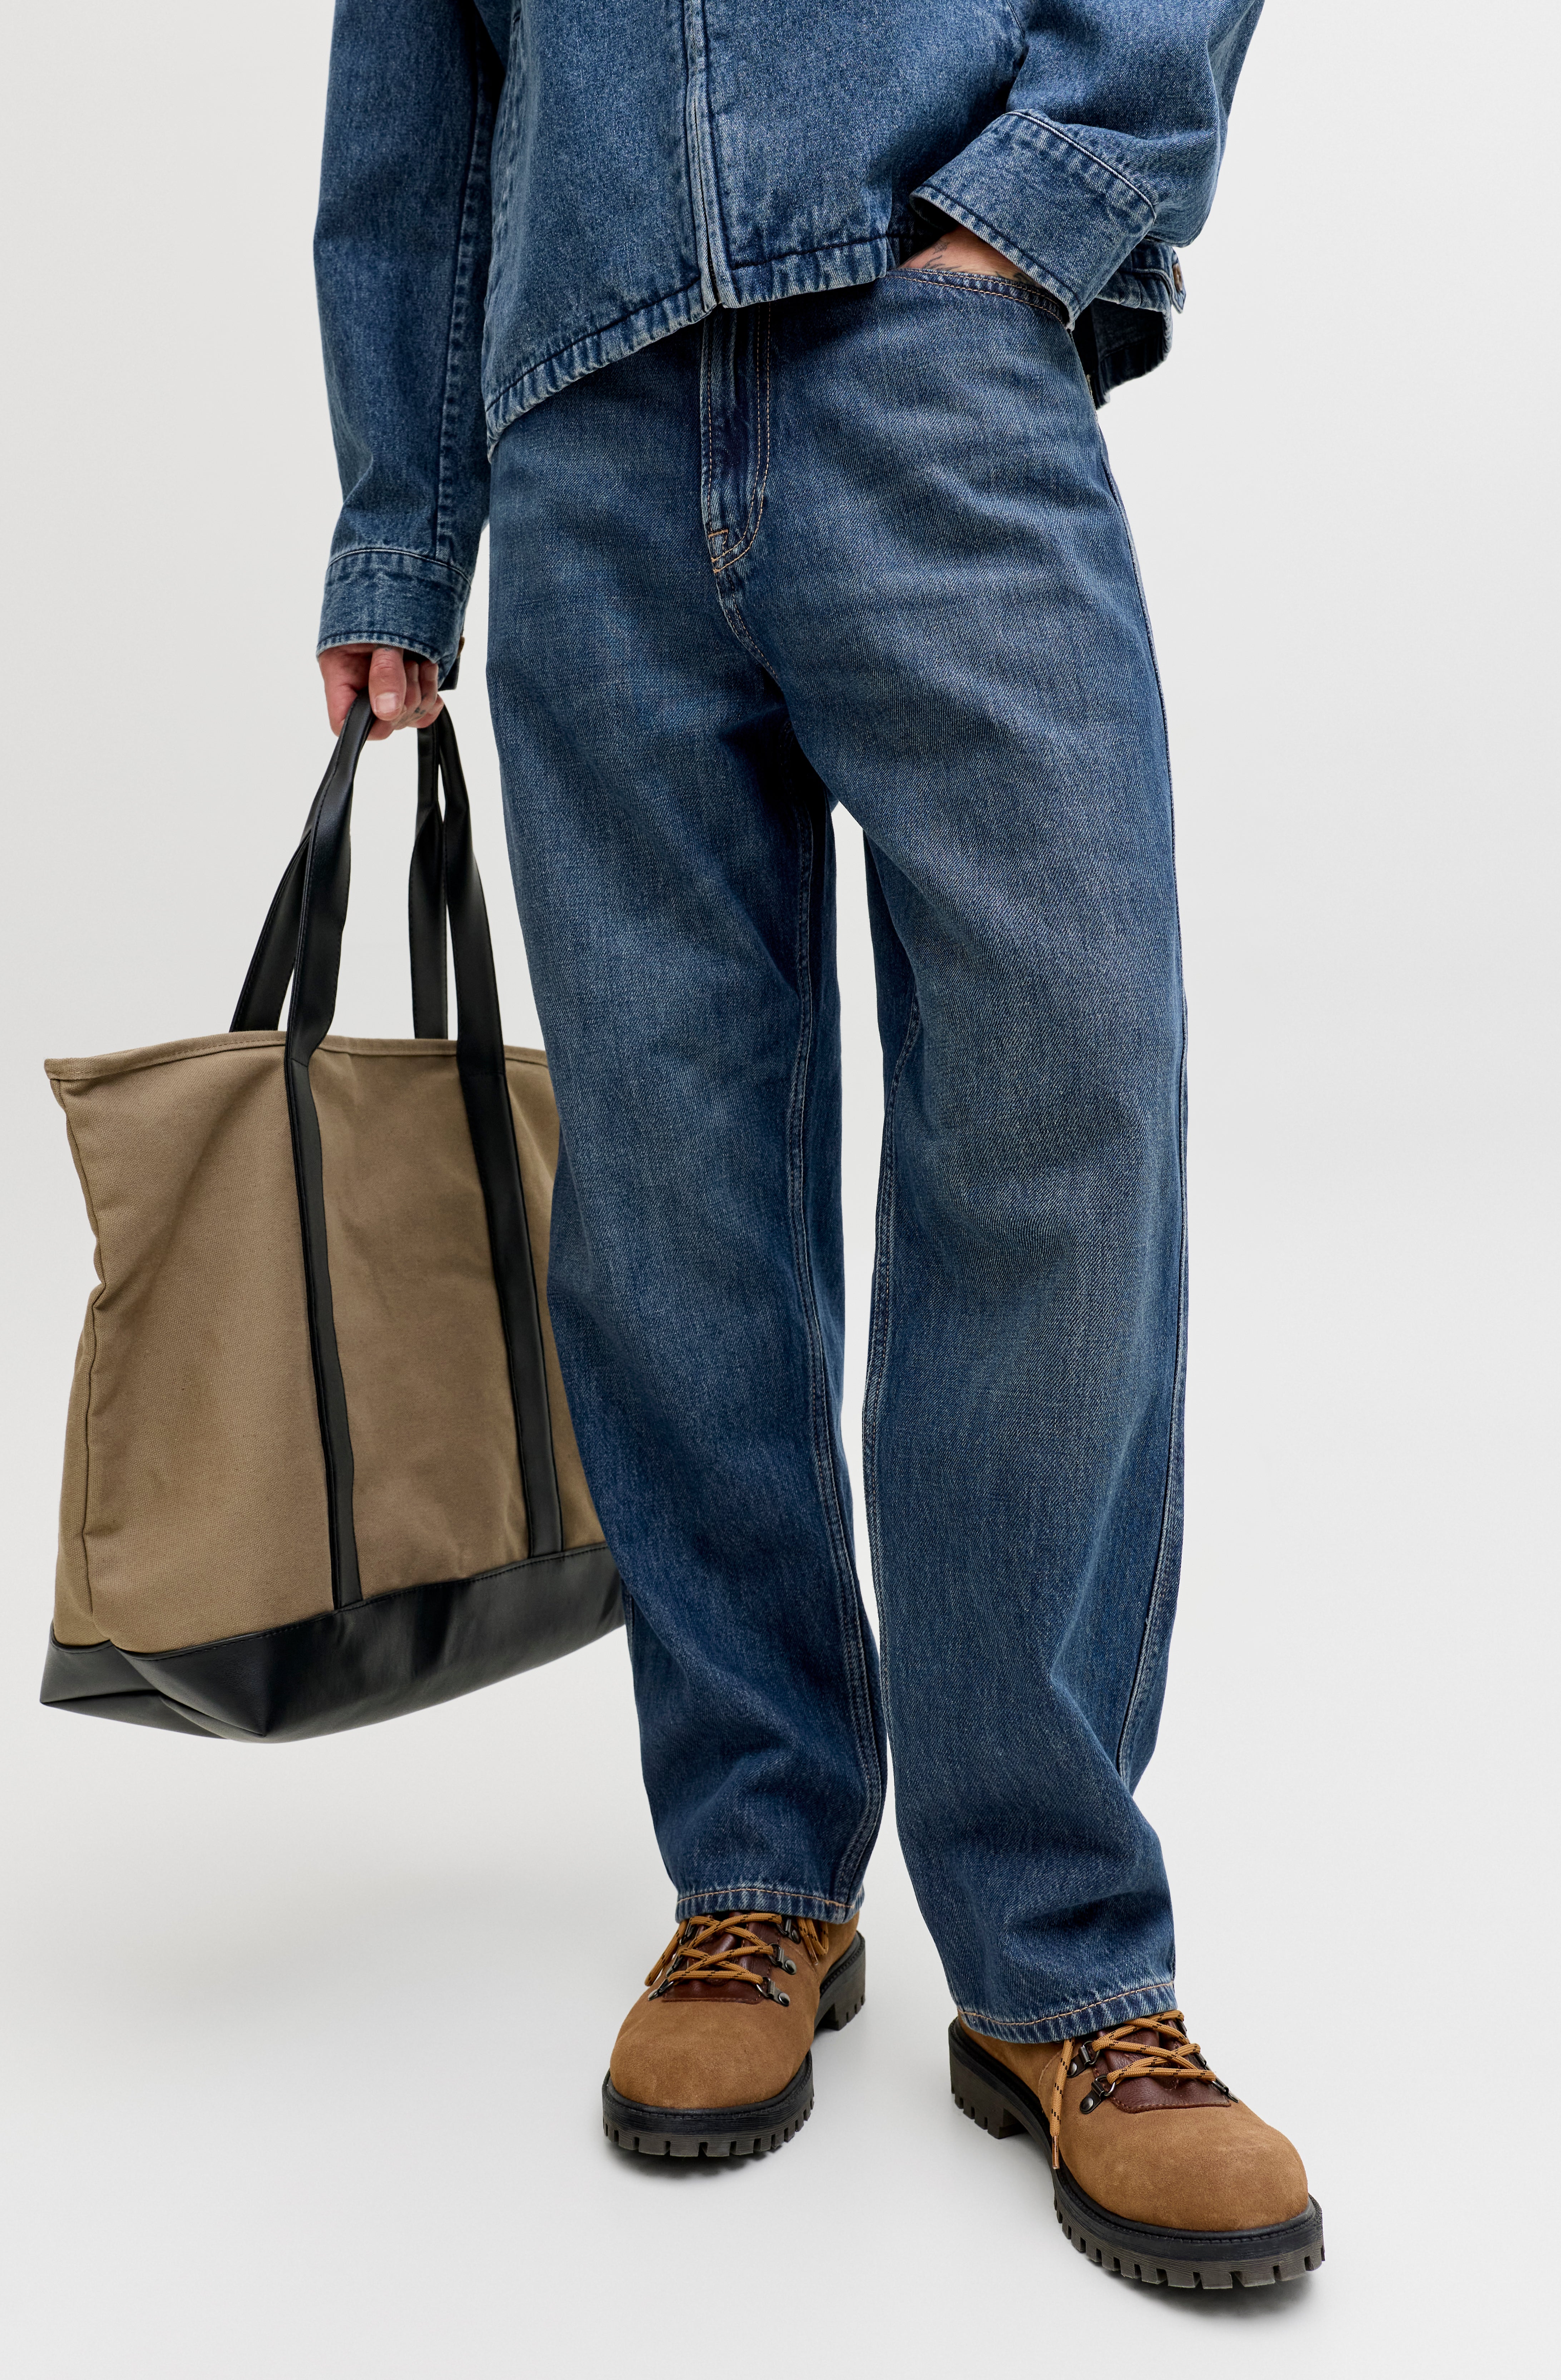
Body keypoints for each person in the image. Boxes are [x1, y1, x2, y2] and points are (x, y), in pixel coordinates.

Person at [310, 0, 1322, 2289]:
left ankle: (1062, 1960)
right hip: (584, 424)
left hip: (928, 358)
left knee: (1065, 1115)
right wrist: (403, 524)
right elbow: (414, 88)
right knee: (671, 1189)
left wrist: (1036, 214)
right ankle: (757, 1875)